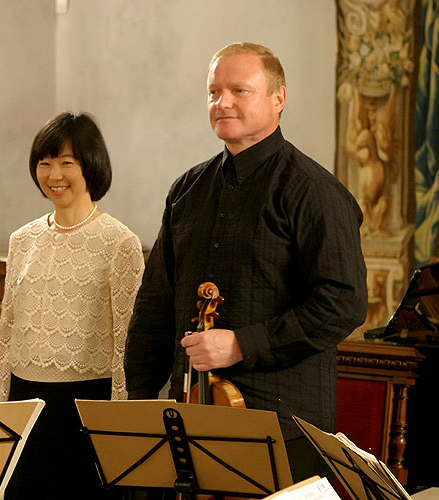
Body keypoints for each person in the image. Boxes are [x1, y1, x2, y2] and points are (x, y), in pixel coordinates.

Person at [124, 42, 367, 483]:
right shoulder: (187, 189)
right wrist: (140, 401)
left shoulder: (314, 190)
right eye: (214, 92)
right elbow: (156, 302)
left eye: (240, 90)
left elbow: (343, 303)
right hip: (192, 414)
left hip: (285, 424)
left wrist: (243, 343)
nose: (223, 102)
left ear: (279, 98)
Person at [0, 111, 145, 499]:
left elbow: (126, 341)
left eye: (66, 163)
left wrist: (120, 427)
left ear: (90, 165)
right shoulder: (21, 240)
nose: (54, 174)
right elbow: (6, 332)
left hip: (85, 404)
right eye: (45, 163)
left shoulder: (119, 242)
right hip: (25, 402)